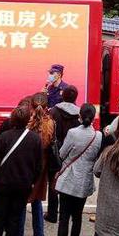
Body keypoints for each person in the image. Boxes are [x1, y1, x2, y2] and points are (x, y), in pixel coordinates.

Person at [0, 105, 42, 236]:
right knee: (14, 219)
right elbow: (38, 166)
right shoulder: (35, 139)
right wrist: (32, 182)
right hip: (23, 185)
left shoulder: (4, 137)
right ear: (27, 120)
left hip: (3, 184)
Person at [48, 104, 102, 236]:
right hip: (85, 181)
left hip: (69, 180)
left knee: (64, 217)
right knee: (77, 217)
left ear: (80, 116)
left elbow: (62, 153)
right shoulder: (98, 136)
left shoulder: (73, 133)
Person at [17, 93, 55, 236]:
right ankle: (39, 233)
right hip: (42, 167)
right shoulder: (51, 123)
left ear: (31, 107)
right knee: (37, 200)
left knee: (21, 202)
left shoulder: (27, 123)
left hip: (26, 166)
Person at [46, 85, 81, 223]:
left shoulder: (54, 111)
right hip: (72, 152)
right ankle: (68, 213)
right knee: (69, 181)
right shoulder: (79, 113)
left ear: (62, 96)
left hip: (55, 152)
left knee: (53, 183)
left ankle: (52, 214)